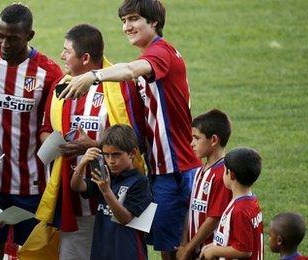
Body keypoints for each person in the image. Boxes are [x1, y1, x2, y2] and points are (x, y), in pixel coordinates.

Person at [60, 1, 201, 258]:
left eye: (134, 19)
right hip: (160, 169)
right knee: (162, 246)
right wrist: (94, 144)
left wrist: (93, 76)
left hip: (175, 171)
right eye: (124, 21)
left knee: (176, 251)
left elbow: (128, 70)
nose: (127, 27)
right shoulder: (152, 56)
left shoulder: (160, 54)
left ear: (154, 22)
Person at [36, 23, 144, 260]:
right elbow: (45, 129)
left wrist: (93, 145)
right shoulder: (61, 86)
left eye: (67, 51)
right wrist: (57, 144)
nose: (62, 55)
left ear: (85, 58)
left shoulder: (120, 87)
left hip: (114, 199)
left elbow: (136, 142)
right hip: (73, 199)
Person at [0, 3, 64, 258]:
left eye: (12, 39)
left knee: (31, 252)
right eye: (0, 36)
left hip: (32, 186)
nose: (4, 45)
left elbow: (52, 127)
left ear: (29, 36)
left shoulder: (48, 72)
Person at [70, 124, 152, 260]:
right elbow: (77, 186)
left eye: (116, 155)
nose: (111, 161)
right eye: (106, 155)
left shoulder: (140, 182)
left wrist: (106, 191)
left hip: (128, 253)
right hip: (101, 251)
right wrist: (82, 164)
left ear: (132, 153)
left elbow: (125, 218)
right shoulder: (107, 176)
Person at [176, 109, 233, 259]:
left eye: (196, 138)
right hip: (195, 249)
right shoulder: (201, 169)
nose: (191, 143)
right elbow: (191, 207)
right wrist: (184, 244)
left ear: (213, 140)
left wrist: (188, 248)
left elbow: (214, 219)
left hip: (211, 253)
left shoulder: (223, 175)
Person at [200, 147, 263, 260]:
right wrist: (214, 246)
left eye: (224, 170)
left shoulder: (240, 211)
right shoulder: (250, 201)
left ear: (231, 175)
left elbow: (244, 250)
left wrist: (215, 251)